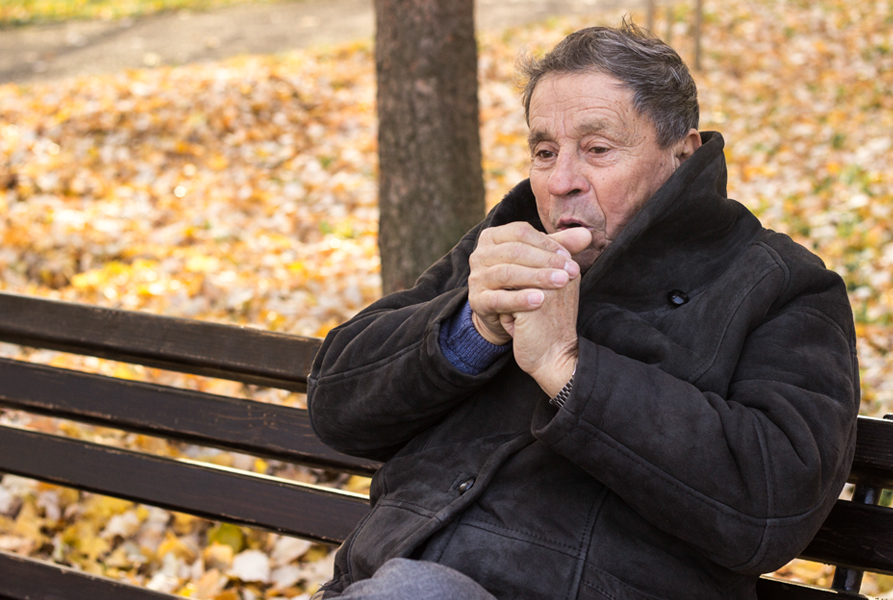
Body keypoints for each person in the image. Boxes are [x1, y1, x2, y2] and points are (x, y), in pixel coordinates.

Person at [307, 22, 859, 600]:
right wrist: (472, 331)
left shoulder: (781, 283)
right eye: (544, 152)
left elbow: (774, 507)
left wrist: (566, 367)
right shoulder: (504, 241)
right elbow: (336, 407)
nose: (562, 182)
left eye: (597, 149)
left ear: (681, 153)